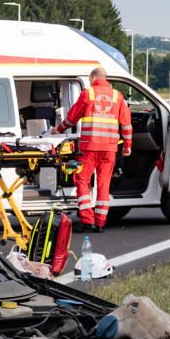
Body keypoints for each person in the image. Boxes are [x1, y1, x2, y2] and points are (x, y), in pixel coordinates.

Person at [50, 67, 132, 232]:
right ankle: (100, 222)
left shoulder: (88, 94)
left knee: (82, 180)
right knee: (104, 184)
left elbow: (72, 117)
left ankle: (88, 220)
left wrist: (57, 130)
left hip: (89, 148)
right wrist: (128, 145)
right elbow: (126, 124)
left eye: (89, 78)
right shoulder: (118, 96)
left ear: (94, 77)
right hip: (109, 148)